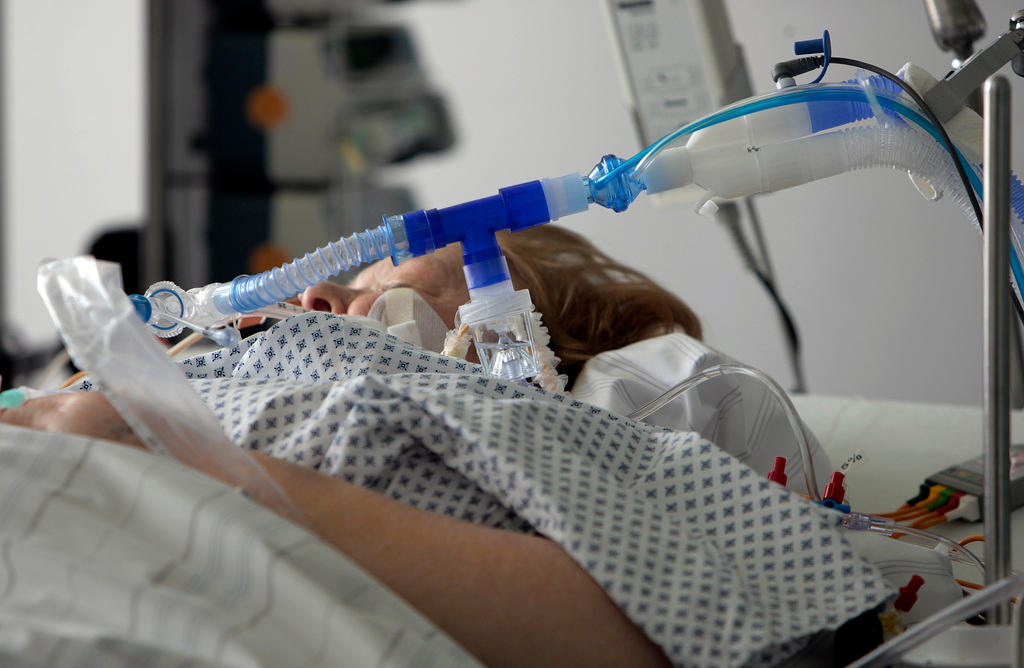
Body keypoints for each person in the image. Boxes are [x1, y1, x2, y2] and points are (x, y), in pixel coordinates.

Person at [0, 225, 704, 667]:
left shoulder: (492, 427)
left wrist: (142, 442)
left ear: (511, 344)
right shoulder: (236, 365)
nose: (316, 293)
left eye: (386, 285)